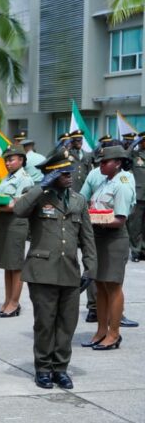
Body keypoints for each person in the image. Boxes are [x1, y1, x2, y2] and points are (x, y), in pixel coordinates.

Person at [13, 150, 96, 389]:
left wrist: (90, 267)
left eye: (70, 171)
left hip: (69, 270)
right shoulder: (38, 196)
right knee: (45, 323)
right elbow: (19, 211)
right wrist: (42, 185)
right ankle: (43, 368)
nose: (70, 176)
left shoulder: (78, 200)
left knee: (67, 323)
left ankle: (60, 368)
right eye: (63, 173)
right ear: (51, 174)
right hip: (42, 271)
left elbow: (87, 238)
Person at [79, 145, 136, 351]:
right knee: (100, 287)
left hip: (113, 240)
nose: (100, 165)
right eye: (100, 162)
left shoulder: (121, 184)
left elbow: (119, 219)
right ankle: (101, 330)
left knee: (113, 287)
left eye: (105, 162)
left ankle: (114, 334)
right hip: (99, 238)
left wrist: (90, 219)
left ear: (118, 163)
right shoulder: (104, 181)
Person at [0, 145, 34, 317]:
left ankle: (14, 303)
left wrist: (0, 206)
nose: (8, 163)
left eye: (11, 159)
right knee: (7, 264)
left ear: (21, 160)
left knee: (15, 265)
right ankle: (7, 300)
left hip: (16, 224)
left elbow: (19, 204)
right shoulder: (7, 177)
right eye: (6, 160)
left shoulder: (24, 179)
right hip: (4, 223)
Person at [126, 134, 145, 262]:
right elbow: (124, 159)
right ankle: (136, 251)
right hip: (139, 195)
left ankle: (143, 249)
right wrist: (132, 145)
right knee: (135, 226)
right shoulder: (134, 154)